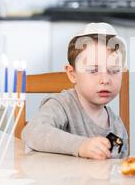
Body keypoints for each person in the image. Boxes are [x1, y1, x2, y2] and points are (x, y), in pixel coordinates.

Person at [22, 22, 128, 159]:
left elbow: (120, 171)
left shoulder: (117, 127)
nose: (105, 80)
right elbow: (33, 132)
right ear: (73, 74)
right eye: (93, 70)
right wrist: (81, 146)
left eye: (114, 71)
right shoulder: (62, 105)